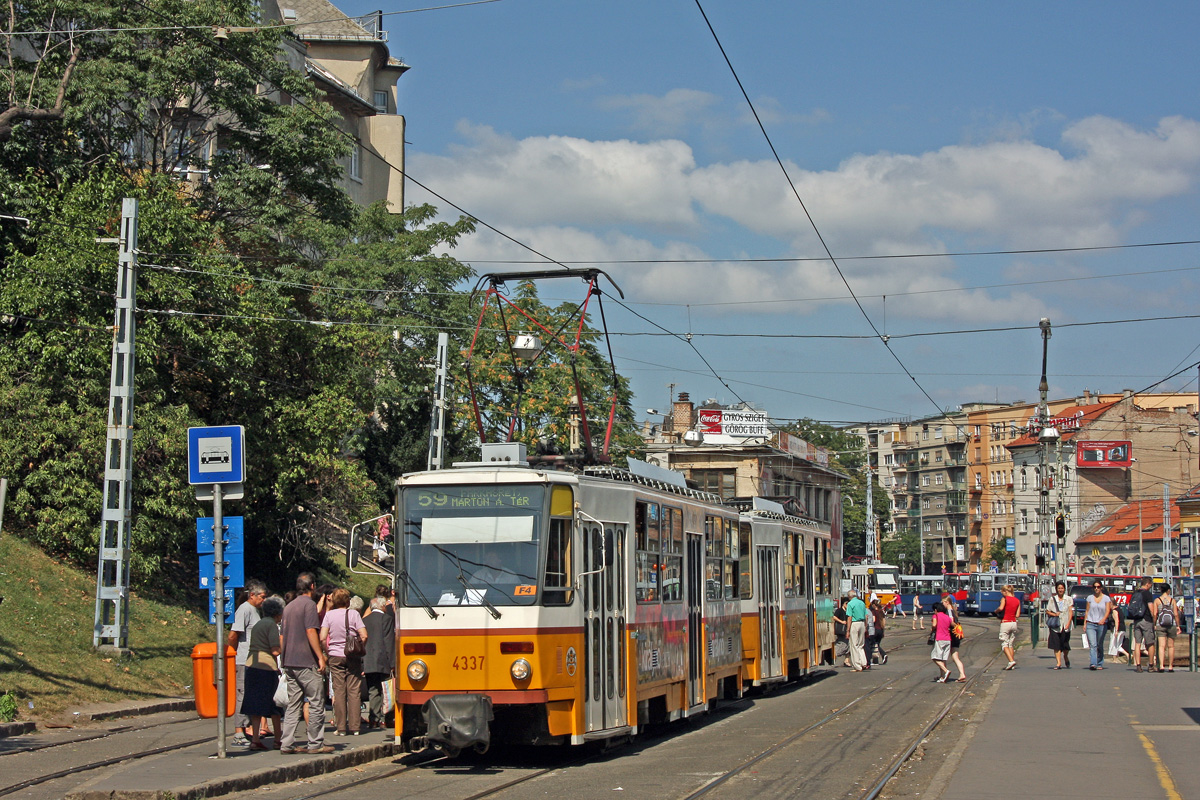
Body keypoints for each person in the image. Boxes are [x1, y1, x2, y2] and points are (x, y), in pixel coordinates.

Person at [279, 572, 333, 755]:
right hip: (305, 661)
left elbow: (282, 635)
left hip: (289, 661)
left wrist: (284, 657)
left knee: (293, 704)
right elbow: (311, 631)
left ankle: (286, 743)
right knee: (317, 702)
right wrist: (320, 656)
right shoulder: (309, 605)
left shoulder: (289, 607)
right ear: (312, 587)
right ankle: (315, 743)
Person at [241, 594, 285, 751]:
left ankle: (255, 738)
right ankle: (278, 739)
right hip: (266, 667)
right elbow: (275, 650)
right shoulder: (271, 625)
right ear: (278, 613)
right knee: (275, 704)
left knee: (255, 704)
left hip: (252, 665)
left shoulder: (259, 624)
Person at [322, 588, 368, 736]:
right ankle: (355, 727)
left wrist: (328, 651)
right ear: (348, 601)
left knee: (339, 691)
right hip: (352, 655)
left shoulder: (329, 615)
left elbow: (323, 637)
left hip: (335, 655)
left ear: (334, 601)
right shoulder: (354, 614)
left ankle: (341, 727)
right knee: (354, 691)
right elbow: (364, 635)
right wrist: (360, 648)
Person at [227, 580, 267, 748]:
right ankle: (238, 731)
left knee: (250, 695)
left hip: (253, 659)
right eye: (262, 597)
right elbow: (233, 635)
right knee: (242, 695)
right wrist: (232, 653)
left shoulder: (255, 611)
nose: (264, 600)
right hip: (243, 659)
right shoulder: (245, 609)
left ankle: (248, 729)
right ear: (252, 595)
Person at [363, 594, 396, 728]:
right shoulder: (387, 619)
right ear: (383, 606)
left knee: (373, 689)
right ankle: (385, 718)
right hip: (383, 660)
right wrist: (393, 663)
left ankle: (373, 719)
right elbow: (389, 641)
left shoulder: (365, 620)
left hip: (368, 660)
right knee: (386, 690)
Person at [1084, 580, 1113, 671]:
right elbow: (1087, 611)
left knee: (1099, 644)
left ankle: (1099, 662)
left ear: (1101, 588)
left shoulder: (1106, 599)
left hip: (1101, 625)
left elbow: (1108, 611)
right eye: (1095, 587)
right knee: (1093, 644)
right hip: (1090, 623)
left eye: (1098, 587)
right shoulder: (1090, 598)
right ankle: (1093, 663)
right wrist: (1085, 623)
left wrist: (1103, 619)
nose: (1096, 588)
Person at [1130, 577, 1157, 673]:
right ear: (1148, 584)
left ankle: (1138, 665)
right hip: (1146, 620)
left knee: (1138, 643)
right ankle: (1150, 665)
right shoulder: (1147, 594)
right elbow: (1151, 608)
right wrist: (1154, 621)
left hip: (1137, 620)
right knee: (1150, 643)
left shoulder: (1135, 593)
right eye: (1151, 584)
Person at [1045, 580, 1073, 669]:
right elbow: (1047, 611)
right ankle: (1058, 663)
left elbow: (1070, 611)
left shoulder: (1068, 599)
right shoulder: (1052, 599)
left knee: (1065, 644)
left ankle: (1065, 656)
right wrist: (1054, 614)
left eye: (1062, 588)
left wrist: (1068, 623)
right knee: (1056, 644)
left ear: (1064, 589)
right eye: (1059, 588)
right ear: (1056, 589)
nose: (1060, 590)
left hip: (1065, 624)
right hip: (1055, 625)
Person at [1152, 583, 1178, 673]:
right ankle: (1170, 666)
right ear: (1168, 590)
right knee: (1171, 646)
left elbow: (1155, 614)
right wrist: (1178, 625)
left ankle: (1162, 666)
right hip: (1172, 624)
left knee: (1161, 646)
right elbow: (1176, 614)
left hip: (1160, 624)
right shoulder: (1172, 600)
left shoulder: (1157, 600)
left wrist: (1154, 623)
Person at [943, 596, 967, 681]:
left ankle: (943, 675)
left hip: (952, 636)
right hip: (956, 636)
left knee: (943, 656)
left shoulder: (949, 611)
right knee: (955, 657)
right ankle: (962, 673)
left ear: (947, 602)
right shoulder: (954, 611)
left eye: (943, 602)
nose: (942, 604)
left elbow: (951, 621)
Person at [998, 584, 1021, 670]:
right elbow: (1017, 615)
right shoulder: (1017, 601)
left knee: (1004, 644)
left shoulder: (1005, 599)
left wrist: (996, 611)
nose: (1002, 594)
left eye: (1002, 592)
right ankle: (1011, 662)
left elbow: (1001, 608)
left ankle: (1011, 661)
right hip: (1014, 623)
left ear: (1006, 592)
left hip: (1005, 622)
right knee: (1010, 644)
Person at [845, 589, 869, 671]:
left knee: (854, 645)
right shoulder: (862, 603)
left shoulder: (850, 604)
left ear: (849, 597)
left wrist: (848, 630)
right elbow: (866, 616)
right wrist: (865, 626)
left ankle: (857, 666)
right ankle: (864, 663)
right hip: (862, 623)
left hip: (854, 624)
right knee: (861, 645)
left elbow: (849, 617)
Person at [930, 600, 953, 683]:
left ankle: (946, 671)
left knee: (934, 657)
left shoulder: (936, 616)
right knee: (943, 659)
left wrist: (932, 630)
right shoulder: (947, 617)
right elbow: (952, 624)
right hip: (948, 639)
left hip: (940, 639)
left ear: (936, 610)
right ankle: (942, 677)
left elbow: (934, 625)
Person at [868, 599, 888, 665]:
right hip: (881, 630)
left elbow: (873, 620)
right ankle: (875, 660)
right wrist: (883, 630)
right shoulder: (881, 611)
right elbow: (884, 622)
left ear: (873, 605)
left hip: (875, 630)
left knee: (872, 645)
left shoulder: (873, 612)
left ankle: (883, 654)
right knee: (877, 644)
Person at [832, 597, 850, 666]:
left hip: (846, 630)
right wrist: (842, 622)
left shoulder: (848, 611)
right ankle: (834, 655)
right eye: (847, 604)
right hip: (841, 630)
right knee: (842, 645)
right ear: (844, 603)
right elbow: (834, 617)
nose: (848, 605)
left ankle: (847, 660)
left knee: (848, 645)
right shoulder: (839, 610)